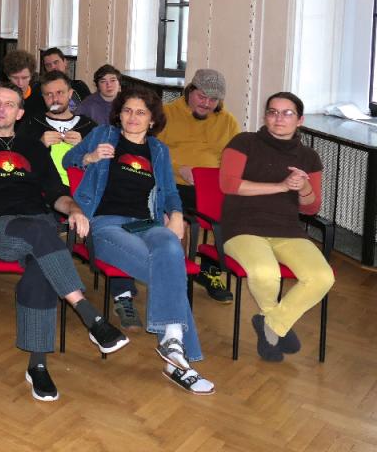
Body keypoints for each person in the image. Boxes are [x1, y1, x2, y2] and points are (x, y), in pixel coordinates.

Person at [0, 82, 128, 402]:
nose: (1, 108)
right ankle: (89, 315)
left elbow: (57, 193)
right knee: (43, 234)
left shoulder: (34, 148)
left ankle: (38, 365)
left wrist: (75, 210)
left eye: (9, 104)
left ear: (20, 112)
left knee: (40, 266)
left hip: (37, 227)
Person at [64, 87, 214, 394]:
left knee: (170, 247)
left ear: (152, 120)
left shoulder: (158, 150)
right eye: (128, 110)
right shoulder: (104, 135)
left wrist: (175, 214)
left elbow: (170, 192)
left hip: (146, 223)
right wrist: (90, 157)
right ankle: (177, 353)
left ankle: (174, 348)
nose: (133, 117)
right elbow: (69, 159)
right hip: (105, 223)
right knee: (169, 269)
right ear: (119, 114)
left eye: (141, 112)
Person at [219, 91, 334, 363]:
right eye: (272, 112)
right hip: (242, 227)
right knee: (265, 272)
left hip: (287, 230)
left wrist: (303, 186)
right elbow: (229, 185)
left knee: (322, 277)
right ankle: (275, 327)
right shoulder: (243, 142)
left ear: (300, 120)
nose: (278, 118)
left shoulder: (309, 157)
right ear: (265, 116)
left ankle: (271, 325)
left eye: (287, 113)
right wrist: (282, 186)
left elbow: (311, 208)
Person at [157, 68, 240, 303]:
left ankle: (209, 270)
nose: (206, 104)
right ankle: (179, 273)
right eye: (202, 97)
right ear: (190, 91)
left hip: (212, 185)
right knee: (180, 222)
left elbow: (233, 158)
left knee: (233, 218)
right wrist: (178, 168)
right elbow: (153, 152)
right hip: (174, 183)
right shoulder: (167, 114)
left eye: (213, 100)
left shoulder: (228, 122)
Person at [22, 71, 97, 186]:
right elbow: (19, 162)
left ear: (70, 93)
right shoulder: (31, 124)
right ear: (43, 97)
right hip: (43, 190)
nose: (55, 99)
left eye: (60, 92)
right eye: (49, 94)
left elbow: (103, 167)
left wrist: (84, 147)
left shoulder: (89, 126)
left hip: (82, 190)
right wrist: (39, 145)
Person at [3, 49, 42, 118]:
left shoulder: (41, 97)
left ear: (31, 76)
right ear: (8, 76)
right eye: (15, 78)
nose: (20, 83)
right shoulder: (2, 99)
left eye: (24, 78)